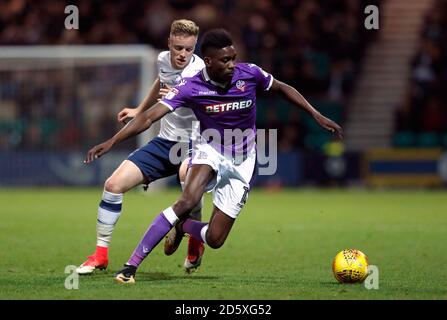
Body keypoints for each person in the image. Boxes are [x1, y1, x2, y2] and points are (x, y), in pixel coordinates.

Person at [83, 28, 343, 284]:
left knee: (216, 239)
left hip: (243, 160)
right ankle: (130, 267)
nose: (232, 64)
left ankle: (183, 227)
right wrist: (112, 140)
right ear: (208, 61)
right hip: (210, 150)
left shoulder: (250, 73)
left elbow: (283, 88)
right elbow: (150, 117)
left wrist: (316, 114)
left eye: (233, 58)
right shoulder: (190, 86)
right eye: (225, 60)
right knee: (187, 200)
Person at [76, 19, 206, 275]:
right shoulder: (161, 59)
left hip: (194, 143)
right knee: (113, 185)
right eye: (178, 47)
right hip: (166, 140)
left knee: (187, 179)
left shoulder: (200, 70)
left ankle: (195, 240)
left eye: (189, 49)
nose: (182, 54)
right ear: (169, 42)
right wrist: (139, 109)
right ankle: (100, 255)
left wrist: (179, 97)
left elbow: (206, 105)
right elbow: (160, 81)